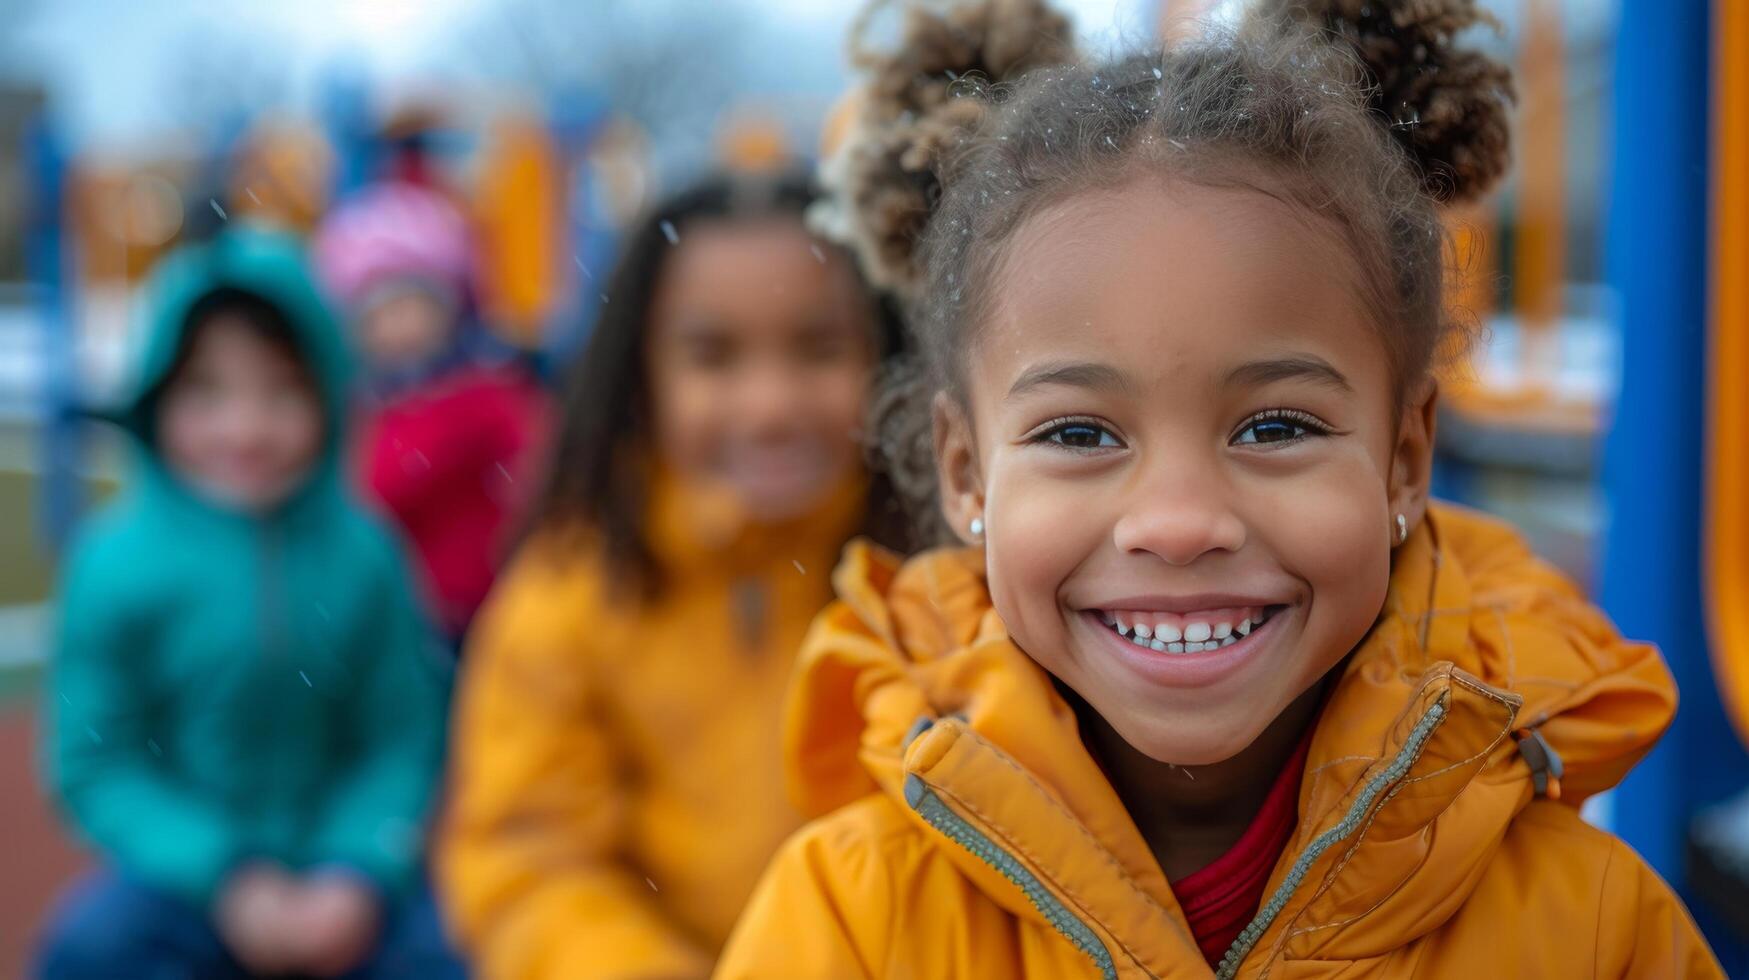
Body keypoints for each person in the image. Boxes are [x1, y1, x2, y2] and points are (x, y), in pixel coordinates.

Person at [715, 1, 1724, 976]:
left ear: (1403, 458)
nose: (1180, 522)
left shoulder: (1589, 929)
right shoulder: (856, 916)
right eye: (1079, 432)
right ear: (967, 472)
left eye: (1275, 426)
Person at [438, 170, 907, 978]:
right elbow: (528, 863)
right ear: (641, 374)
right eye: (712, 356)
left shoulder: (939, 582)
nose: (768, 404)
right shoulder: (569, 595)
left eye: (819, 348)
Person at [35, 229, 459, 979]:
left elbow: (402, 737)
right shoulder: (113, 565)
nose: (246, 429)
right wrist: (225, 875)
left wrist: (356, 868)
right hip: (183, 885)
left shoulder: (366, 555)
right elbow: (98, 761)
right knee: (85, 951)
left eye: (281, 390)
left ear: (326, 398)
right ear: (156, 398)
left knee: (451, 951)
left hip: (350, 880)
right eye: (207, 392)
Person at [314, 181, 547, 647]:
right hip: (401, 618)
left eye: (409, 306)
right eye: (376, 315)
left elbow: (537, 463)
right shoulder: (362, 408)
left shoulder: (485, 391)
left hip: (484, 609)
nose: (395, 328)